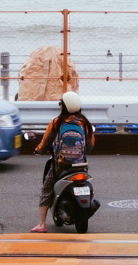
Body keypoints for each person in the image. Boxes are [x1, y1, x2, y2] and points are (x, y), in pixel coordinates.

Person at [31, 91, 95, 232]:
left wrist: (38, 150)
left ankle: (41, 225)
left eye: (61, 103)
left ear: (64, 106)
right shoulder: (85, 123)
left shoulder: (57, 122)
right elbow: (90, 146)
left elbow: (45, 143)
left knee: (46, 190)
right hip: (81, 165)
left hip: (61, 165)